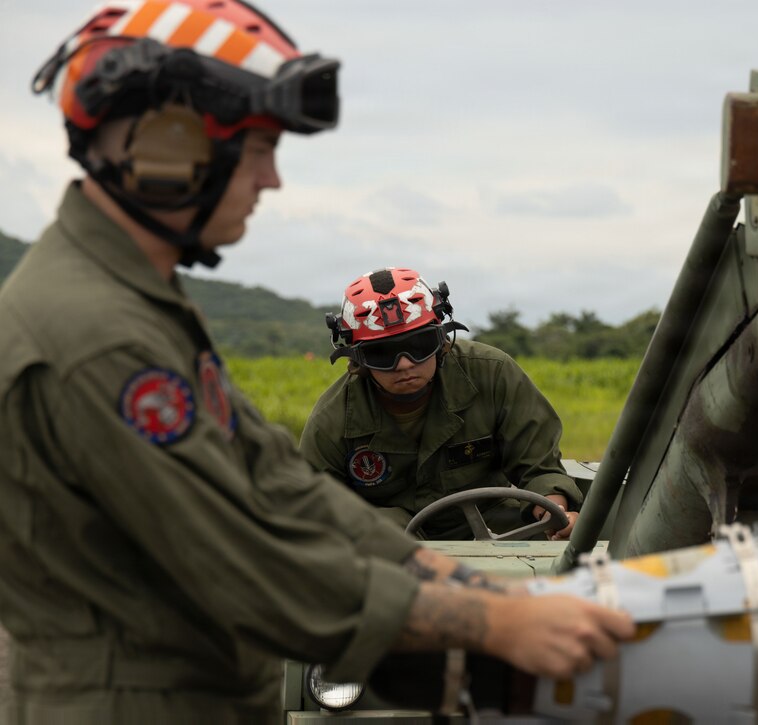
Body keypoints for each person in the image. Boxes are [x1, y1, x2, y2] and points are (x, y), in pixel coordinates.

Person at [0, 2, 632, 723]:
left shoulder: (139, 303)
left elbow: (281, 489)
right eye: (257, 148)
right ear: (167, 150)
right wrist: (498, 627)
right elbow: (246, 562)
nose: (272, 180)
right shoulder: (98, 337)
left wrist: (454, 581)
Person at [300, 268, 582, 541]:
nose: (405, 364)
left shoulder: (493, 375)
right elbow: (314, 511)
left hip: (491, 525)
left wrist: (553, 514)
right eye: (382, 353)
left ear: (442, 339)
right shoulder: (333, 421)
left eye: (420, 344)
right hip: (390, 543)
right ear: (357, 360)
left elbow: (540, 468)